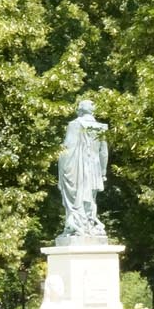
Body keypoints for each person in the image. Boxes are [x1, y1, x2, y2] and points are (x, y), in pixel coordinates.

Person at [57, 99, 109, 237]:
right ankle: (89, 226)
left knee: (77, 198)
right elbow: (104, 152)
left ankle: (79, 227)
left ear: (80, 109)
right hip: (95, 169)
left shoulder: (75, 125)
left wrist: (62, 171)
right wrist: (103, 171)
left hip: (79, 167)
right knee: (91, 198)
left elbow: (67, 149)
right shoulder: (100, 127)